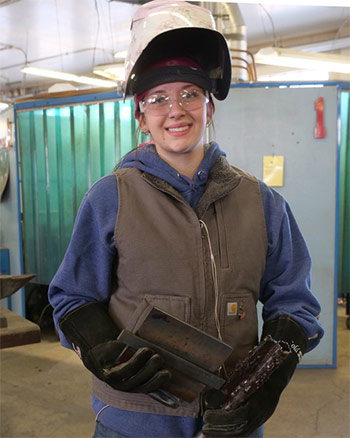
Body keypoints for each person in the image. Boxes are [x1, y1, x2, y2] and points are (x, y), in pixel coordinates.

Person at [48, 1, 324, 437]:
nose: (175, 110)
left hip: (232, 420)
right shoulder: (110, 198)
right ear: (141, 118)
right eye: (157, 99)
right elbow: (73, 297)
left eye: (189, 94)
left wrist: (266, 389)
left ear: (209, 108)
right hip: (134, 423)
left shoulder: (262, 202)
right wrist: (102, 351)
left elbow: (295, 305)